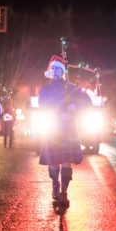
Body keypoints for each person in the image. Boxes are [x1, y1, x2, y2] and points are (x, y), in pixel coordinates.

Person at [39, 55, 91, 204]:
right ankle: (55, 185)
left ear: (63, 71)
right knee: (54, 162)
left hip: (68, 129)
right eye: (52, 68)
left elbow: (86, 102)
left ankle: (64, 191)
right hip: (53, 128)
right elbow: (43, 107)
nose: (54, 70)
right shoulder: (45, 90)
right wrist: (58, 113)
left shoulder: (71, 88)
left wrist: (75, 108)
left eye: (57, 68)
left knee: (66, 161)